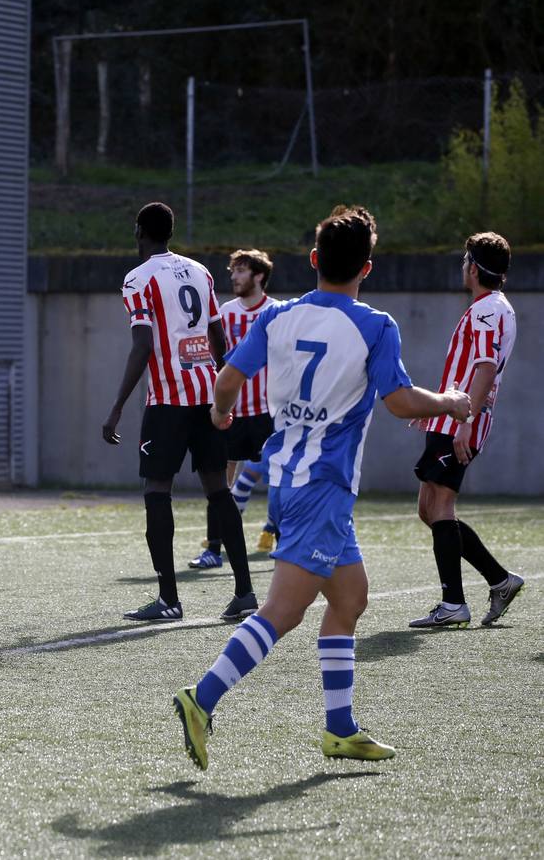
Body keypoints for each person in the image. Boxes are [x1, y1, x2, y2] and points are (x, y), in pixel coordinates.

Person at [172, 206, 471, 769]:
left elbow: (229, 378)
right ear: (368, 268)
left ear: (313, 260)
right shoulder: (375, 325)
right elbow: (401, 402)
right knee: (282, 613)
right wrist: (451, 402)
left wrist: (219, 413)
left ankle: (340, 729)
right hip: (323, 486)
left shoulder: (277, 317)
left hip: (289, 479)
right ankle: (200, 698)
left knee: (350, 598)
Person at [102, 202, 258, 623]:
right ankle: (244, 592)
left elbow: (143, 345)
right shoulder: (199, 272)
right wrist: (225, 390)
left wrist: (116, 407)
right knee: (218, 491)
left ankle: (168, 599)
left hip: (169, 401)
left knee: (157, 491)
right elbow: (217, 335)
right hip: (207, 395)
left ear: (139, 231)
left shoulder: (137, 278)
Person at [409, 232, 524, 628]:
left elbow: (485, 368)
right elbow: (468, 372)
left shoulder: (487, 310)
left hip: (461, 420)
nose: (463, 268)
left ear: (473, 267)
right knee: (428, 510)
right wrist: (433, 409)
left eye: (464, 262)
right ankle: (500, 580)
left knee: (440, 507)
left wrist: (464, 420)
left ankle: (454, 603)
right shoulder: (490, 307)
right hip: (450, 417)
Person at [191, 249, 279, 569]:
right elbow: (214, 356)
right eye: (232, 271)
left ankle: (282, 539)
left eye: (241, 271)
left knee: (279, 476)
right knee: (218, 477)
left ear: (258, 276)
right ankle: (213, 548)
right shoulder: (225, 313)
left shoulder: (277, 312)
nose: (234, 277)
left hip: (268, 412)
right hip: (231, 410)